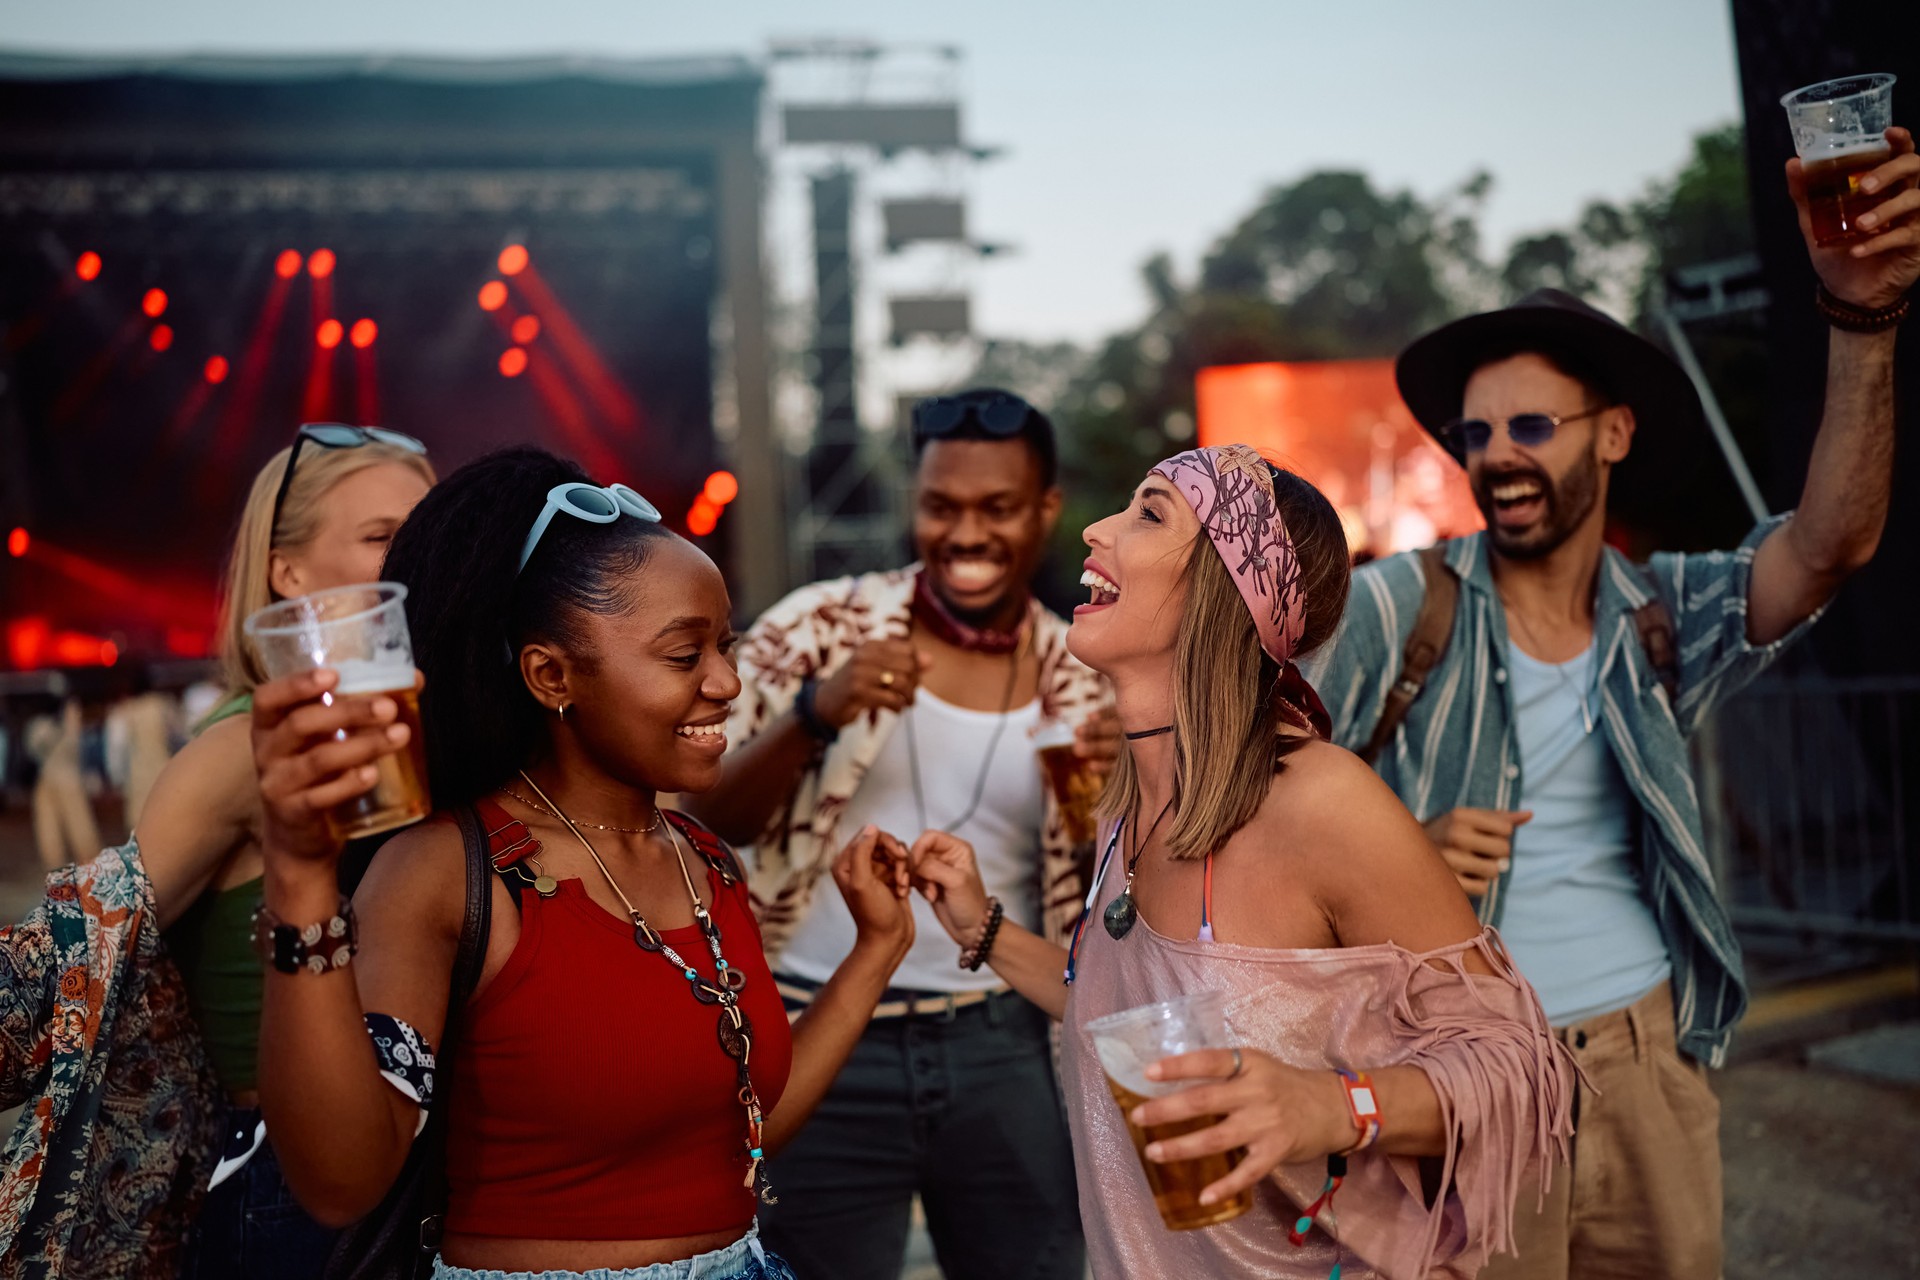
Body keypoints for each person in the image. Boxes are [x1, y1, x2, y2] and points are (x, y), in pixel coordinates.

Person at [1309, 128, 1919, 1279]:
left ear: (1615, 432)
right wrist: (1395, 854)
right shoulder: (1401, 605)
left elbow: (1831, 546)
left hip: (1648, 1060)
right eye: (1477, 434)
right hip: (1467, 1082)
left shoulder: (1661, 612)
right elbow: (1263, 790)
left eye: (1532, 425)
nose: (1497, 456)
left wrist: (1863, 315)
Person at [248, 447, 916, 1280]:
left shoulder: (704, 862)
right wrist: (299, 881)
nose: (729, 683)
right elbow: (341, 1182)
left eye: (726, 645)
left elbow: (740, 1129)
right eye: (685, 656)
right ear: (551, 674)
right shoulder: (449, 871)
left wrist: (874, 952)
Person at [910, 443, 1575, 1280]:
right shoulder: (1132, 803)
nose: (1096, 531)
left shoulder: (1319, 799)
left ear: (1226, 588)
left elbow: (1517, 1063)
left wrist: (1328, 1106)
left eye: (1149, 513)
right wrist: (987, 928)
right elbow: (1124, 1009)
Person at [688, 389, 1114, 1280]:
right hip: (819, 1031)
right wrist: (816, 708)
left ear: (1044, 511)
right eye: (940, 506)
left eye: (996, 508)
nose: (964, 534)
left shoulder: (1086, 671)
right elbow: (708, 813)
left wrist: (1120, 800)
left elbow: (1107, 887)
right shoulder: (822, 628)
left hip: (1001, 1039)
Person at [143, 424, 436, 1278]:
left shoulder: (400, 731)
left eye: (424, 534)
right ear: (288, 572)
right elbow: (97, 940)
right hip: (288, 1180)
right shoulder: (250, 749)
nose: (410, 562)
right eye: (382, 536)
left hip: (399, 1153)